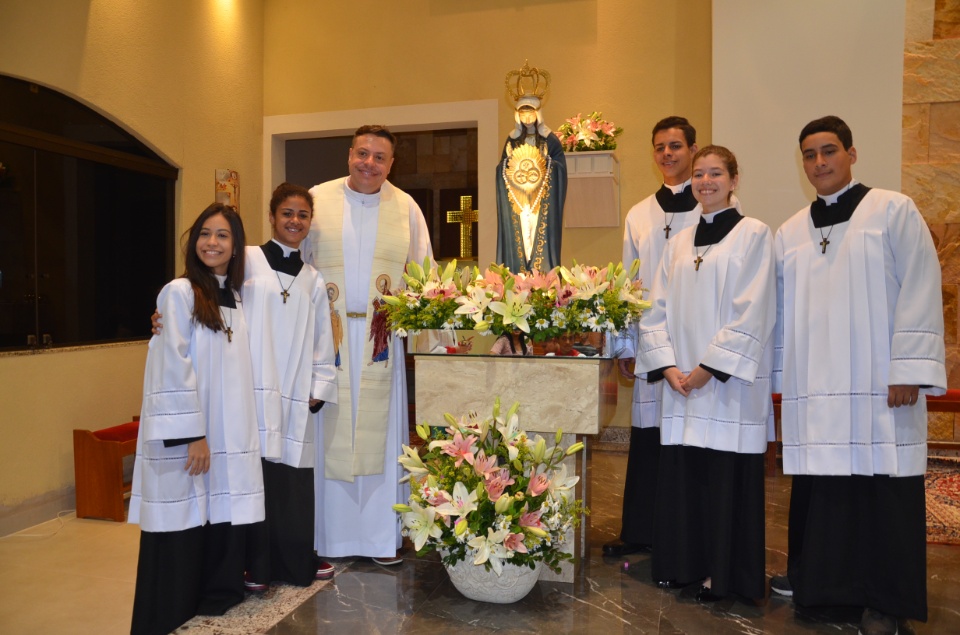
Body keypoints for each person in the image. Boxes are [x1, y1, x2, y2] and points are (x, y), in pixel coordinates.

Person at [771, 116, 946, 635]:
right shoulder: (791, 231)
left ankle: (885, 602)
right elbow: (782, 312)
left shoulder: (891, 211)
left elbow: (919, 285)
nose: (819, 162)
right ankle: (827, 593)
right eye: (809, 154)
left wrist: (908, 369)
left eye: (828, 151)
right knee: (827, 492)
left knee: (883, 493)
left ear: (851, 153)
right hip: (818, 390)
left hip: (879, 387)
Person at [636, 146, 775, 602]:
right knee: (687, 479)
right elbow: (654, 310)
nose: (706, 181)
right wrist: (671, 366)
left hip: (725, 388)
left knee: (723, 480)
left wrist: (707, 369)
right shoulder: (677, 242)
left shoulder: (755, 234)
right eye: (699, 174)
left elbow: (753, 310)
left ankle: (726, 575)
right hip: (682, 384)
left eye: (716, 173)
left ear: (735, 180)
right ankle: (686, 566)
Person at [130, 204, 265, 635]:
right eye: (205, 234)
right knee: (181, 522)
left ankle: (210, 602)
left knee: (216, 517)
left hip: (226, 430)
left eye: (222, 235)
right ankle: (167, 614)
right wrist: (193, 435)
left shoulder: (237, 297)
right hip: (191, 435)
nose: (212, 242)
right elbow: (173, 364)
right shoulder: (180, 291)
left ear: (236, 245)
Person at [303, 124, 433, 566]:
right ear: (349, 155)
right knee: (329, 439)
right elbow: (293, 266)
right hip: (329, 341)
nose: (369, 164)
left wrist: (428, 342)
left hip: (381, 342)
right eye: (363, 154)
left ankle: (381, 540)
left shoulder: (406, 207)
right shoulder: (317, 200)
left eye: (380, 158)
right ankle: (331, 540)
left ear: (391, 164)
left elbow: (424, 277)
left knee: (382, 440)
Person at [604, 116, 700, 558]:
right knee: (648, 437)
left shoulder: (713, 207)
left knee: (689, 440)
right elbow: (628, 281)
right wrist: (624, 343)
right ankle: (641, 532)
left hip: (695, 341)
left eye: (676, 146)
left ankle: (682, 535)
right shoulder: (639, 213)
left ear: (693, 150)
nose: (667, 154)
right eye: (660, 146)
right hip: (650, 339)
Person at [241, 183, 339, 590]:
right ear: (271, 216)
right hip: (250, 385)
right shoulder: (246, 262)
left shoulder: (313, 279)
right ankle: (254, 565)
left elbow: (322, 337)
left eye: (302, 215)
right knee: (256, 475)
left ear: (309, 222)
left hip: (297, 390)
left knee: (292, 481)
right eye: (287, 213)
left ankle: (296, 557)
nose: (294, 221)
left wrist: (322, 384)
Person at [495, 67, 567, 273]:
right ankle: (519, 272)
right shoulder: (512, 139)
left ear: (538, 114)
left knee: (536, 234)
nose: (527, 117)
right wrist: (507, 165)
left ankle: (540, 272)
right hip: (518, 201)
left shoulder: (549, 139)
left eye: (530, 112)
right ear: (517, 115)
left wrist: (548, 165)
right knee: (521, 236)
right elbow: (502, 169)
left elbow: (560, 167)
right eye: (523, 113)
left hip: (541, 200)